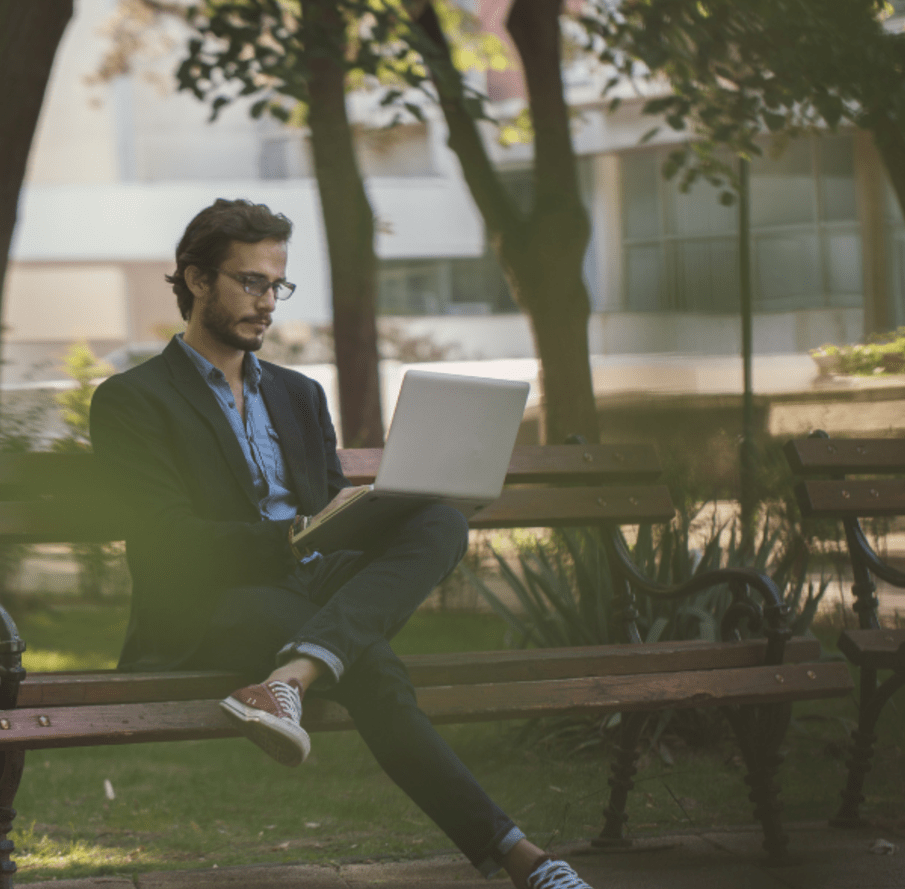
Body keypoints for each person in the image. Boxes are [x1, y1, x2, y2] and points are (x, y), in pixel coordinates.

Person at [89, 198, 594, 889]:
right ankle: (524, 859)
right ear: (197, 280)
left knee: (441, 521)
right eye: (250, 282)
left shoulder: (299, 394)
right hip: (206, 607)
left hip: (305, 585)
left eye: (277, 286)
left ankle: (287, 681)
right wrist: (291, 543)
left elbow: (325, 504)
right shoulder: (133, 400)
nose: (267, 303)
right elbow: (165, 546)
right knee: (373, 667)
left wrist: (357, 517)